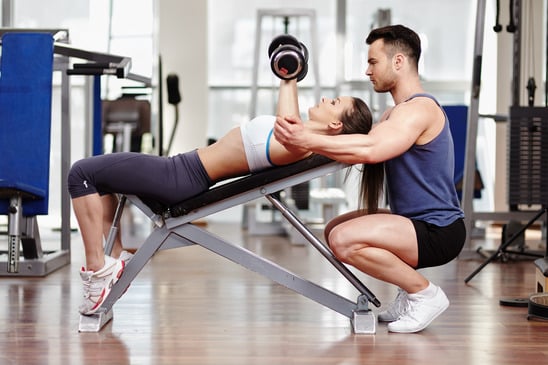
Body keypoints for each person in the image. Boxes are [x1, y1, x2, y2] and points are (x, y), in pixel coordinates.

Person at [68, 74, 383, 316]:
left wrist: (289, 78)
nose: (327, 98)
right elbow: (288, 117)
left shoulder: (298, 142)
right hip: (183, 171)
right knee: (104, 179)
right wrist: (289, 75)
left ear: (335, 123)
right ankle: (114, 262)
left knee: (81, 174)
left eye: (334, 102)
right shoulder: (302, 139)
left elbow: (288, 125)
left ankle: (98, 270)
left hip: (178, 176)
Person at [273, 24, 466, 333]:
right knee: (335, 228)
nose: (367, 70)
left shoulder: (420, 109)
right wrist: (302, 131)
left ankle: (424, 293)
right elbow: (354, 144)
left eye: (373, 62)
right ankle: (409, 292)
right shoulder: (394, 114)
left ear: (399, 62)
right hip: (413, 222)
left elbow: (372, 148)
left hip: (438, 230)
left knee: (343, 239)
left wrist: (307, 140)